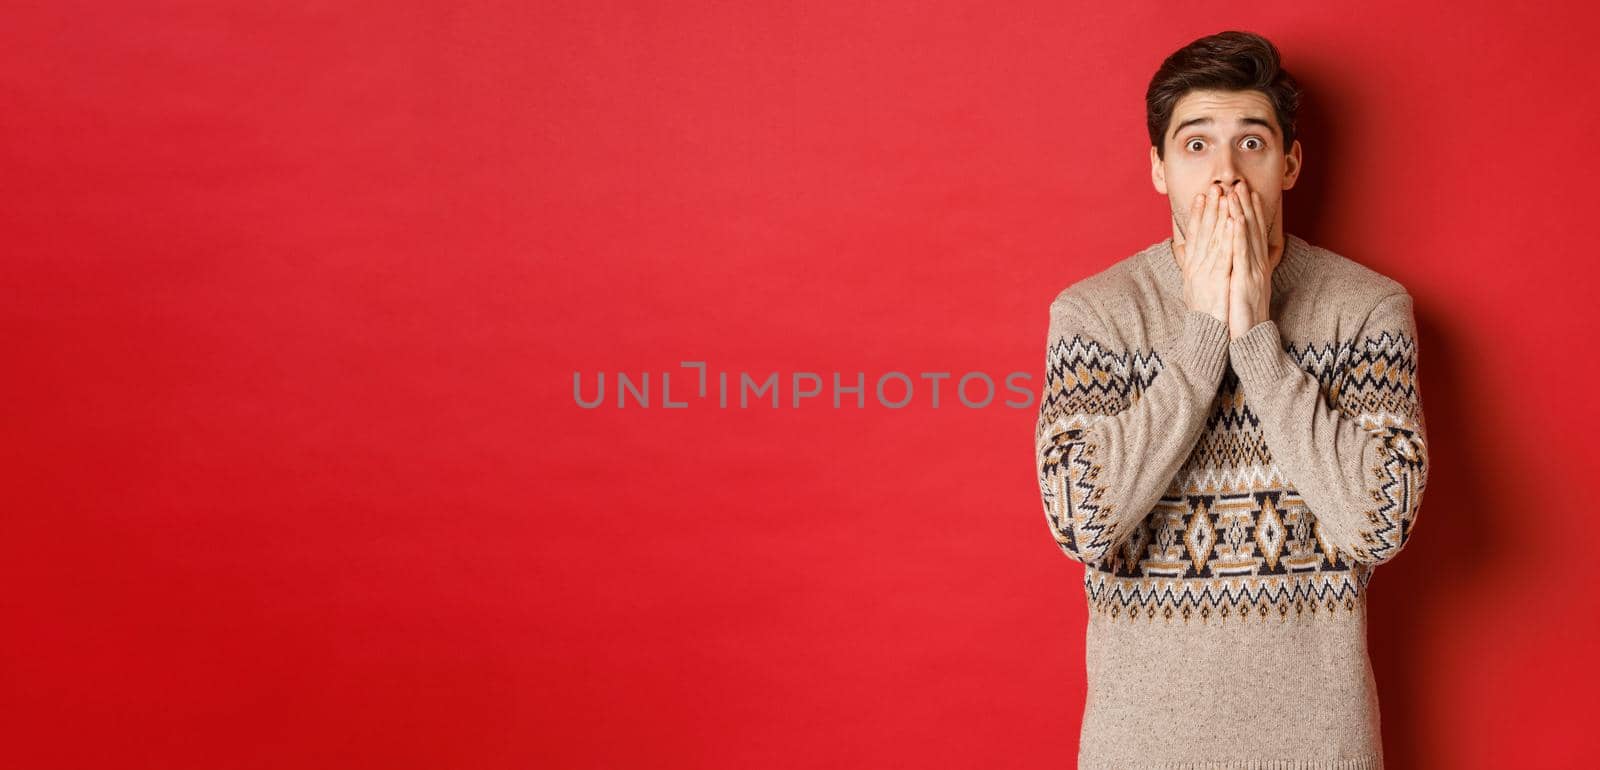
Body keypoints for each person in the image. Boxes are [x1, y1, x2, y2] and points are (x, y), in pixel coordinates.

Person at [1033, 30, 1429, 768]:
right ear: (1158, 169)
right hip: (1141, 748)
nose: (1225, 176)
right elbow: (1082, 523)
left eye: (1251, 144)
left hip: (1320, 748)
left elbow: (1376, 528)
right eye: (1195, 146)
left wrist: (1256, 340)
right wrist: (1205, 333)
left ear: (1290, 163)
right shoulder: (1095, 315)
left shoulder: (1368, 309)